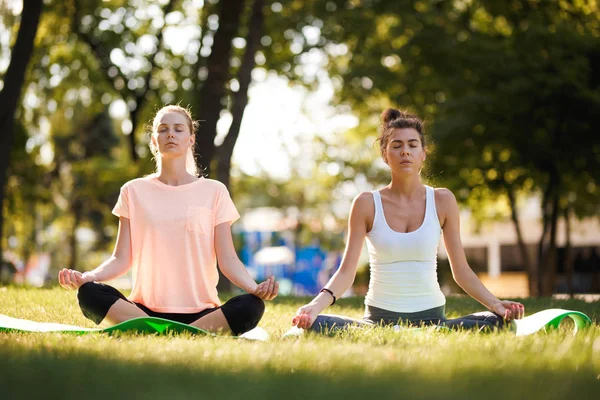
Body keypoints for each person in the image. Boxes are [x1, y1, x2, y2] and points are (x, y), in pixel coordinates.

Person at [292, 108, 524, 333]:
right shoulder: (366, 203)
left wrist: (495, 304)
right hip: (377, 321)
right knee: (315, 324)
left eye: (413, 145)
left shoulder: (443, 200)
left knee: (501, 323)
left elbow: (461, 271)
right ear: (385, 155)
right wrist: (314, 306)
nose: (405, 151)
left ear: (423, 154)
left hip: (433, 319)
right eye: (397, 145)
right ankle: (404, 332)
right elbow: (345, 273)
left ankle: (433, 331)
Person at [58, 105, 278, 336]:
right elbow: (121, 258)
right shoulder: (133, 191)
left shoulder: (215, 191)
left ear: (191, 140)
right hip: (143, 310)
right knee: (89, 293)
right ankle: (183, 334)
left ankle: (158, 332)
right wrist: (87, 277)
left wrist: (255, 288)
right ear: (154, 141)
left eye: (178, 129)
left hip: (202, 313)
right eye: (163, 129)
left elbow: (228, 259)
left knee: (252, 305)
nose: (170, 134)